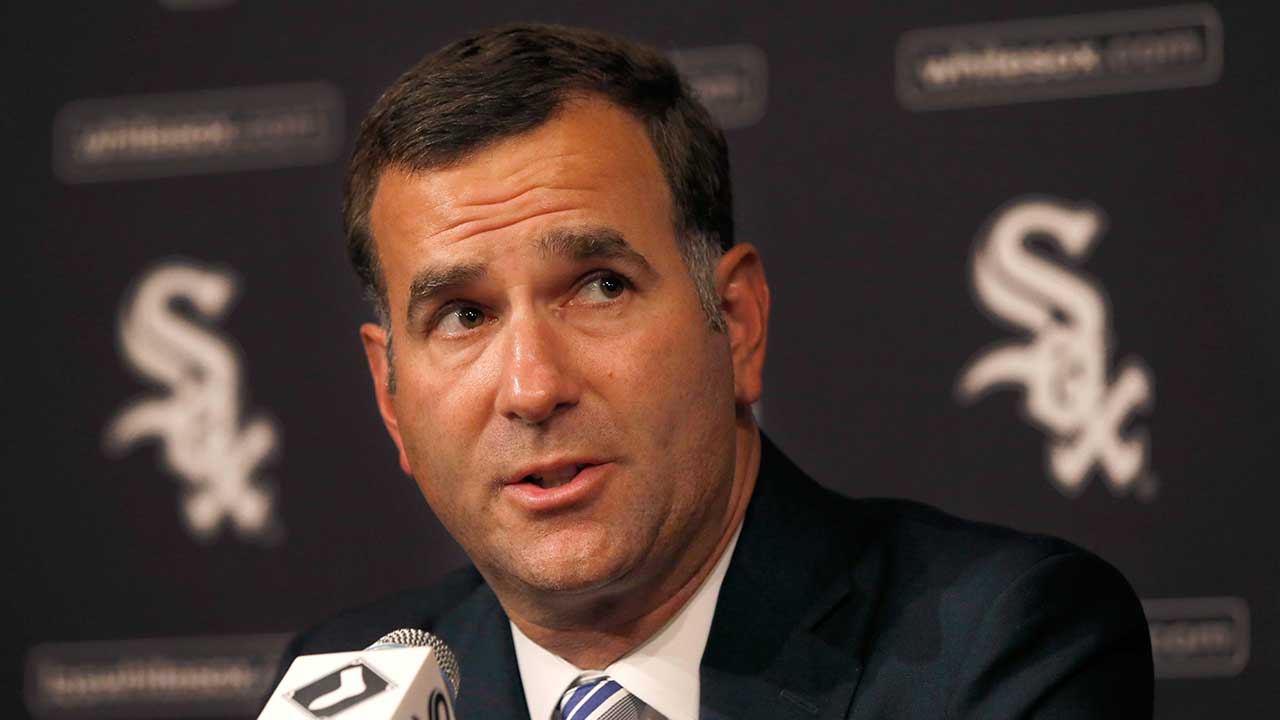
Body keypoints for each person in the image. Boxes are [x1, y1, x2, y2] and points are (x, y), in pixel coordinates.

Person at [276, 22, 1153, 719]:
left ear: (734, 323)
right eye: (463, 316)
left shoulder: (1000, 647)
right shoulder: (345, 679)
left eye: (599, 287)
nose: (533, 387)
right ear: (391, 398)